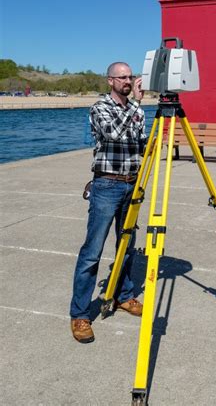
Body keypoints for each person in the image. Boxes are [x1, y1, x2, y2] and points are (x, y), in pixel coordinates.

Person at [70, 62, 147, 343]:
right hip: (107, 184)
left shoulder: (133, 111)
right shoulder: (100, 107)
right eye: (123, 77)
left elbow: (137, 140)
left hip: (131, 183)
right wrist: (138, 106)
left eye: (131, 76)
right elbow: (113, 133)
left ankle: (124, 295)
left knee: (126, 246)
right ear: (110, 81)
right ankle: (79, 314)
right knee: (92, 251)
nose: (129, 81)